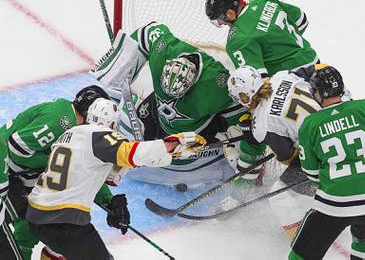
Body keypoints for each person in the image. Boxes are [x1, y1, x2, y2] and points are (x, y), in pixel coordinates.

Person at [26, 98, 206, 260]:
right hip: (64, 222)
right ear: (110, 123)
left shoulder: (68, 136)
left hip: (37, 217)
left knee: (58, 251)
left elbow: (104, 175)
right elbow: (131, 153)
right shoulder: (99, 136)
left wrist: (111, 203)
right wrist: (172, 145)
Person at [90, 22, 266, 187]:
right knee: (142, 137)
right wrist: (120, 61)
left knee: (235, 136)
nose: (172, 100)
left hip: (196, 130)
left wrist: (245, 172)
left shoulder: (216, 85)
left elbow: (250, 126)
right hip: (157, 111)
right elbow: (147, 32)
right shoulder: (164, 51)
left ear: (192, 84)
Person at [0, 85, 110, 260]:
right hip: (7, 172)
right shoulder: (61, 120)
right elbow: (16, 148)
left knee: (39, 223)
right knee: (31, 223)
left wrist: (109, 202)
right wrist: (53, 161)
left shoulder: (75, 123)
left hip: (19, 174)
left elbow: (81, 171)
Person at [289, 66, 365, 259]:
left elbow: (312, 173)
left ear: (319, 93)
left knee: (299, 256)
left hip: (334, 207)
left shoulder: (311, 125)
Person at [226, 64, 322, 201]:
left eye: (240, 97)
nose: (240, 101)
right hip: (342, 123)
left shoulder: (262, 124)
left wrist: (255, 136)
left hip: (328, 153)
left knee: (280, 196)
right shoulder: (281, 76)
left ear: (247, 94)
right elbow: (316, 70)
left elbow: (290, 158)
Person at [205, 0, 319, 78]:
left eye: (220, 20)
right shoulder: (264, 1)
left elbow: (256, 79)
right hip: (315, 63)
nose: (222, 24)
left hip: (294, 79)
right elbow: (302, 20)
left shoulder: (237, 40)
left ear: (230, 13)